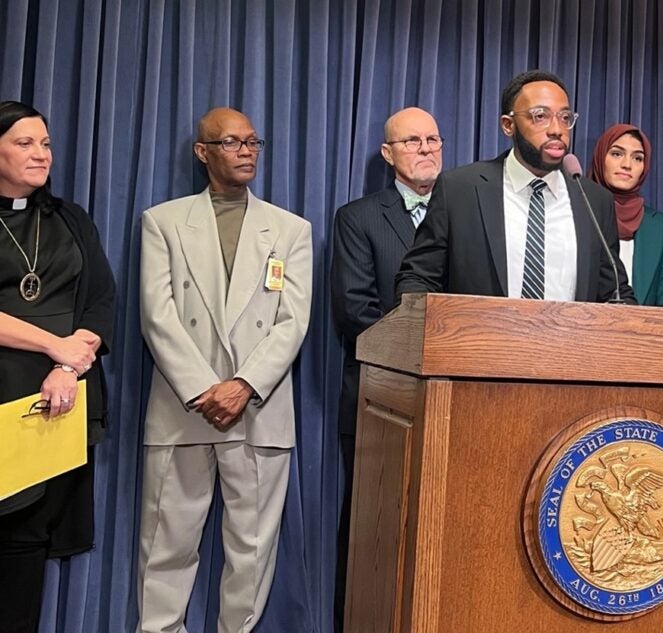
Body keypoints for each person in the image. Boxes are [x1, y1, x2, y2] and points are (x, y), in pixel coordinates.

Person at [136, 107, 313, 633]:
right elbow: (157, 314)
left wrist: (242, 386)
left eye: (253, 142)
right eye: (233, 142)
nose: (246, 152)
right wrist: (204, 390)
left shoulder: (290, 230)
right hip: (183, 409)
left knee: (252, 554)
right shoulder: (162, 221)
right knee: (166, 547)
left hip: (259, 411)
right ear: (203, 152)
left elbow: (292, 320)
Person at [0, 101, 115, 633]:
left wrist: (69, 368)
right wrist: (56, 346)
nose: (40, 154)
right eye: (25, 143)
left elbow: (99, 301)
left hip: (54, 406)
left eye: (45, 143)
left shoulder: (70, 218)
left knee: (28, 545)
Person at [329, 106, 442, 631]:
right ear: (388, 153)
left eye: (434, 139)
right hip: (380, 401)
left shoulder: (462, 210)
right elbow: (356, 312)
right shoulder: (359, 217)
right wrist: (421, 356)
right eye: (413, 141)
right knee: (373, 534)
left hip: (451, 403)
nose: (426, 149)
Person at [395, 69, 635, 304]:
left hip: (568, 343)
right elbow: (418, 279)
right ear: (508, 125)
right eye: (540, 116)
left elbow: (614, 291)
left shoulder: (593, 201)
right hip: (479, 342)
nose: (557, 129)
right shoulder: (460, 190)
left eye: (564, 118)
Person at [588, 123, 663, 306]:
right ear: (600, 158)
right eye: (616, 154)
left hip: (644, 332)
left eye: (638, 158)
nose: (627, 165)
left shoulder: (659, 227)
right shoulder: (579, 213)